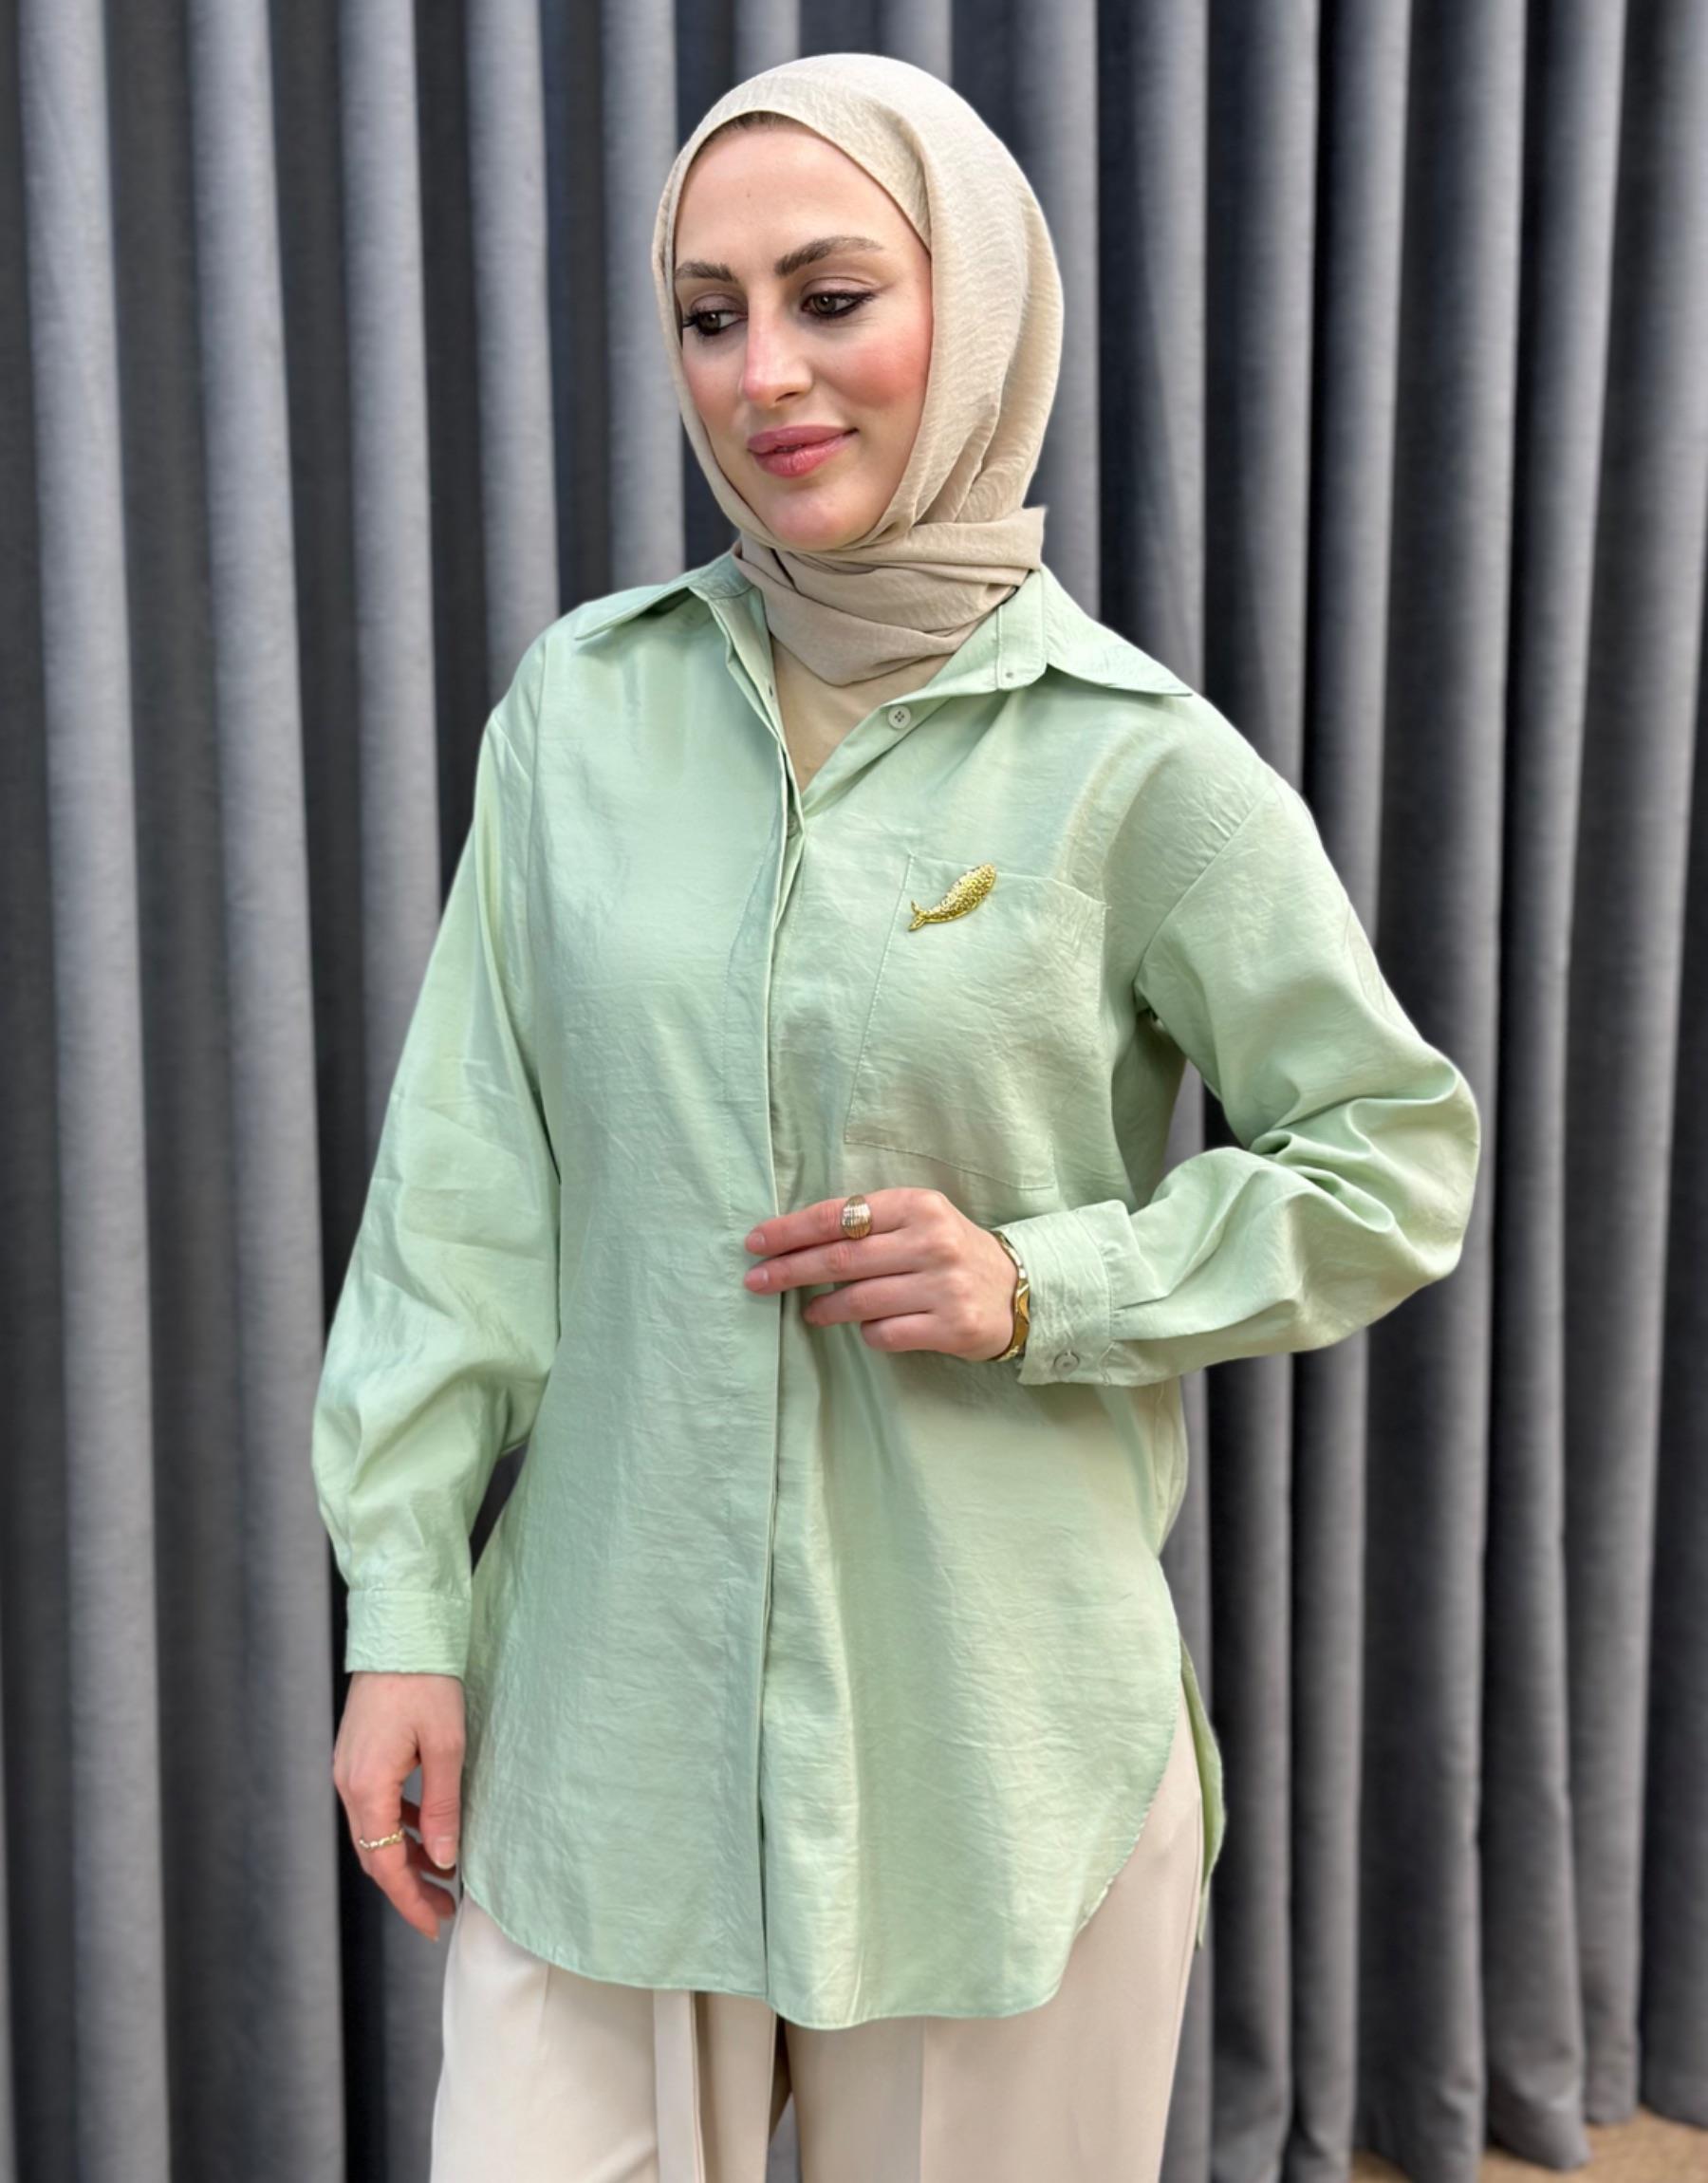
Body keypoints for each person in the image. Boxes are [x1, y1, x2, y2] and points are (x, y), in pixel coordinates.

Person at [311, 50, 1483, 2183]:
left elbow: (1392, 1154)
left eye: (832, 296)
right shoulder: (582, 709)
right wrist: (404, 1611)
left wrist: (1046, 1282)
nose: (764, 372)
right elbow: (462, 1196)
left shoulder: (1137, 764)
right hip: (613, 1727)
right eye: (711, 312)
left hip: (991, 1760)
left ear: (982, 309)